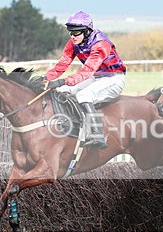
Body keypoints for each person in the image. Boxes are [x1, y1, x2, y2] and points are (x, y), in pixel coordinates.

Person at [43, 11, 126, 149]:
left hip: (114, 78)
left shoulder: (100, 44)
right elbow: (63, 64)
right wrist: (45, 78)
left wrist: (63, 80)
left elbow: (87, 71)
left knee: (83, 95)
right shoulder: (73, 43)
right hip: (96, 77)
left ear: (87, 32)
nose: (73, 36)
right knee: (62, 91)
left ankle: (97, 135)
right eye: (71, 33)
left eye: (76, 33)